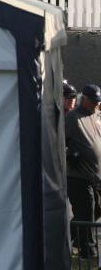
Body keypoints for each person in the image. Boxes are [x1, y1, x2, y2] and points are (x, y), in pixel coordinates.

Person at [66, 84, 101, 256]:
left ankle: (73, 235)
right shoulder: (72, 118)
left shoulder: (96, 115)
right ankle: (89, 251)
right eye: (93, 101)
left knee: (96, 209)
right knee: (86, 210)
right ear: (84, 99)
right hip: (78, 175)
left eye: (98, 101)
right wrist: (69, 153)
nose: (96, 104)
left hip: (96, 176)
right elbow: (58, 142)